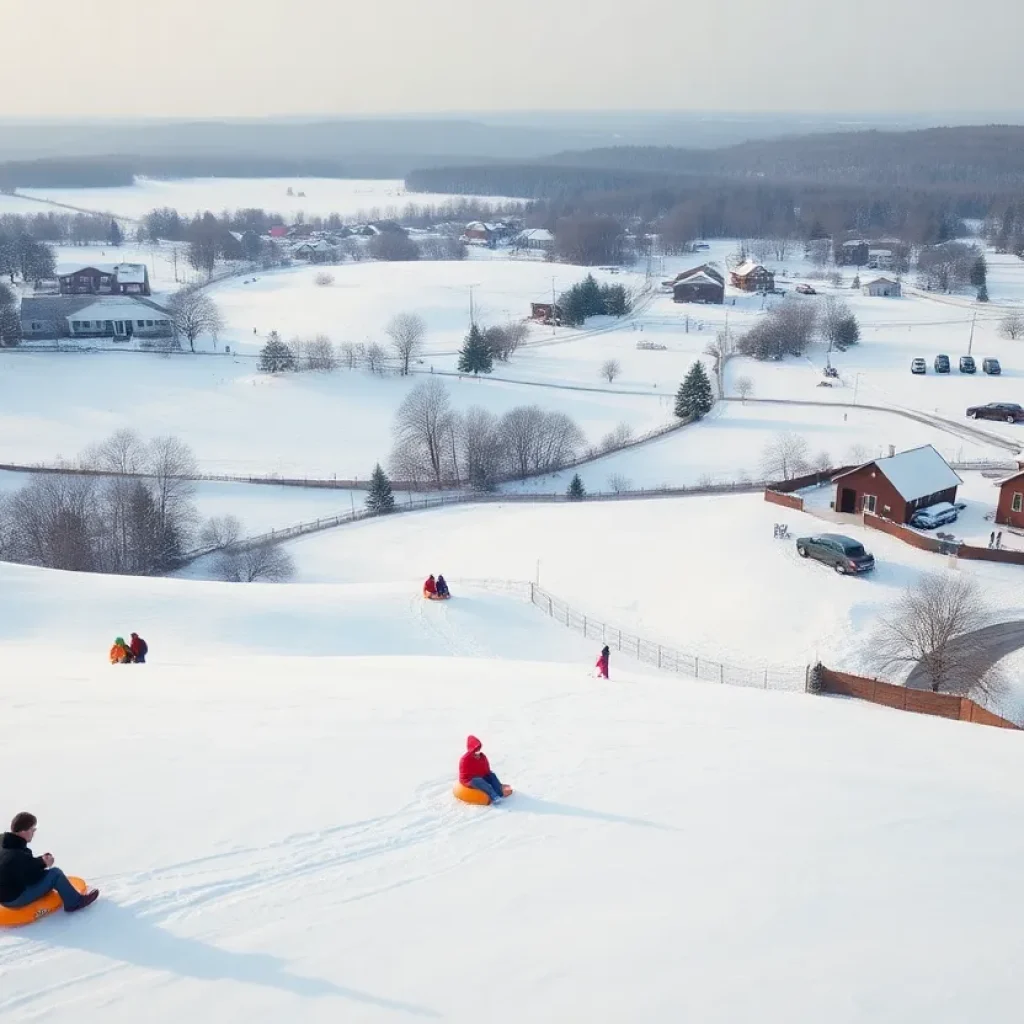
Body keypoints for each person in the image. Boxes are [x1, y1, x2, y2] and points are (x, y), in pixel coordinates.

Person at [0, 812, 98, 913]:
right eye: (32, 830)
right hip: (14, 899)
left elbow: (23, 866)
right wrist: (45, 864)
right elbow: (32, 878)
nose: (34, 833)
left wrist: (41, 861)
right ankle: (75, 903)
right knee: (55, 874)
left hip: (5, 895)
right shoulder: (17, 854)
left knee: (49, 874)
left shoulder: (7, 846)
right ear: (23, 831)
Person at [459, 735, 506, 804]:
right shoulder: (465, 760)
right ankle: (494, 796)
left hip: (480, 776)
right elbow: (464, 776)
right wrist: (473, 779)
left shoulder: (482, 757)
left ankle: (499, 792)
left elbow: (486, 769)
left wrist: (490, 776)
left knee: (492, 775)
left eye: (478, 751)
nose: (478, 753)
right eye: (475, 752)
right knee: (478, 781)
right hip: (469, 780)